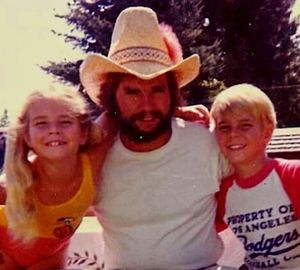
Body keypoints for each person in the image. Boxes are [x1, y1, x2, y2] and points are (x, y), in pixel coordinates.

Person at [80, 6, 229, 270]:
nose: (147, 105)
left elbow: (261, 176)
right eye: (132, 92)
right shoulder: (96, 155)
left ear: (173, 94)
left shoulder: (205, 141)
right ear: (112, 97)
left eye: (158, 89)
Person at [0, 85, 111, 269]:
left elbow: (116, 115)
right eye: (41, 123)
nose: (54, 130)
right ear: (27, 137)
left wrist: (177, 111)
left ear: (83, 133)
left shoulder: (92, 164)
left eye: (65, 122)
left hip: (51, 259)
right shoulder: (11, 186)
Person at [212, 84, 300, 269]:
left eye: (245, 126)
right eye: (224, 127)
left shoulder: (291, 174)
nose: (233, 134)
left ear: (267, 132)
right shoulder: (222, 192)